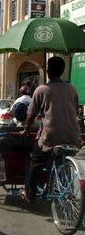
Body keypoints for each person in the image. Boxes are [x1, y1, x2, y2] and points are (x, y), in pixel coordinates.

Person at [20, 56, 80, 203]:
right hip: (73, 136)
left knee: (36, 161)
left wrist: (26, 129)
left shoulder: (41, 89)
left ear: (48, 71)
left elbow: (31, 114)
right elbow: (76, 111)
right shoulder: (72, 89)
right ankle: (61, 184)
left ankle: (30, 193)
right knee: (63, 161)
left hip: (51, 136)